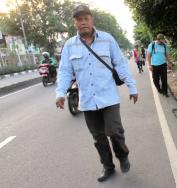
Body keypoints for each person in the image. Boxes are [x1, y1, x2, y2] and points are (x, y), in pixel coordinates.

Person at [55, 5, 138, 182]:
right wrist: (60, 93)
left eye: (86, 18)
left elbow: (121, 64)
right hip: (87, 101)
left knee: (114, 131)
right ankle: (108, 166)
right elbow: (64, 72)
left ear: (91, 20)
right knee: (98, 137)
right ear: (75, 23)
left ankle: (122, 156)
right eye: (79, 19)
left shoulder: (107, 40)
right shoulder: (70, 45)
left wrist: (132, 87)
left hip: (109, 97)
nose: (83, 22)